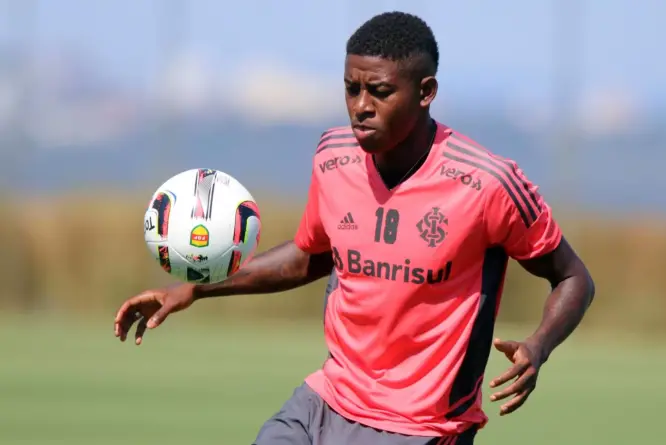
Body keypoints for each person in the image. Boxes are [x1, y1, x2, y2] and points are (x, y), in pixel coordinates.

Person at [114, 11, 595, 445]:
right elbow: (308, 257)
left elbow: (573, 278)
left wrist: (539, 346)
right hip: (326, 403)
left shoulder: (489, 184)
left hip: (421, 427)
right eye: (351, 89)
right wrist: (198, 286)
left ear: (426, 92)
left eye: (380, 92)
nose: (360, 105)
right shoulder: (333, 156)